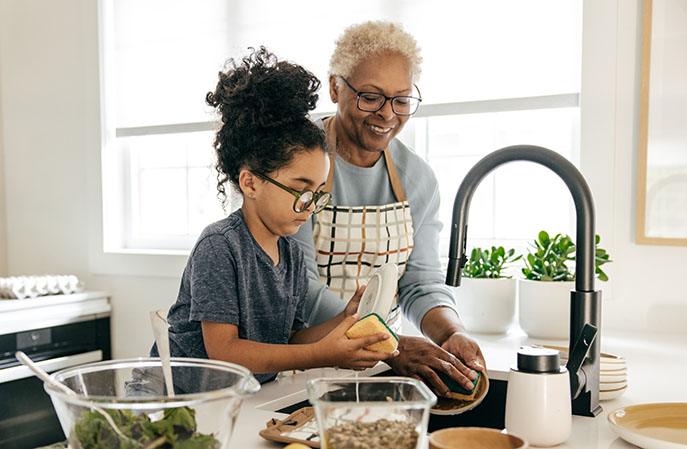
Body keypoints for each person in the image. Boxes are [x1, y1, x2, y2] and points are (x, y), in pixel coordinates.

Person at [150, 47, 396, 384]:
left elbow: (289, 341)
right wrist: (323, 355)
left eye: (317, 193)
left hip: (237, 399)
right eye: (300, 190)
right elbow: (226, 353)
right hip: (175, 399)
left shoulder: (291, 254)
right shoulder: (220, 247)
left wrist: (343, 320)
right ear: (250, 182)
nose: (309, 206)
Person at [291, 21, 486, 397]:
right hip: (299, 364)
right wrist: (389, 343)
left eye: (401, 99)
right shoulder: (297, 163)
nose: (387, 114)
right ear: (335, 87)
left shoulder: (417, 178)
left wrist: (452, 332)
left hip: (379, 367)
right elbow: (300, 289)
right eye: (370, 96)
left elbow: (420, 284)